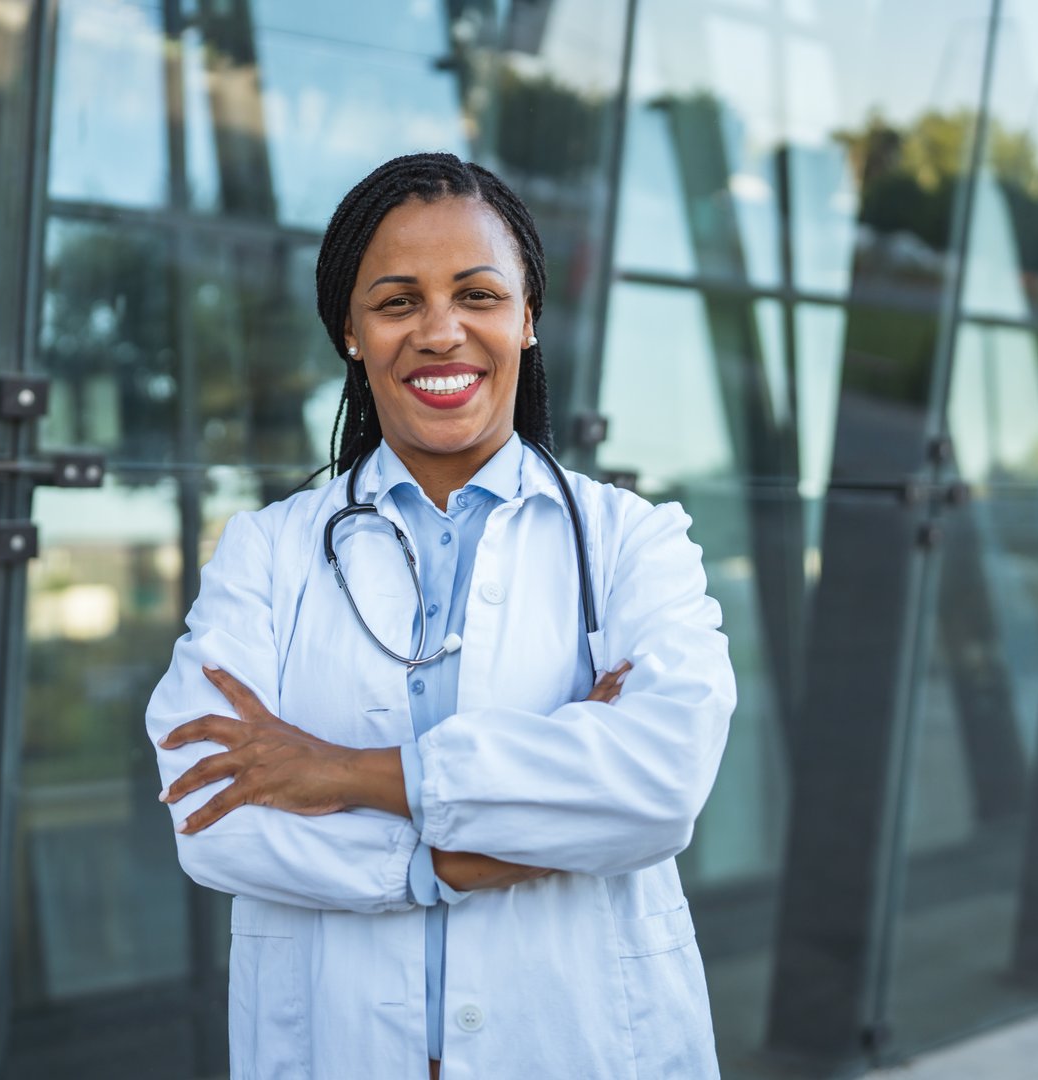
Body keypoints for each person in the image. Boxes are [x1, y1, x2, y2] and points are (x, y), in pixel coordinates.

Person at [145, 152, 735, 1079]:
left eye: (478, 295)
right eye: (396, 302)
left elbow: (658, 785)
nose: (440, 331)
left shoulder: (633, 541)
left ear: (527, 317)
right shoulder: (267, 551)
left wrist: (343, 772)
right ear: (351, 332)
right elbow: (210, 812)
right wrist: (440, 867)